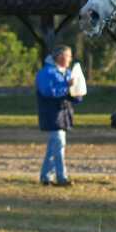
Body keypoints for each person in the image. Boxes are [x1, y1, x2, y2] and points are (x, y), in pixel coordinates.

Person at [36, 45, 81, 187]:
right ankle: (62, 178)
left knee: (54, 147)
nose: (70, 59)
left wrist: (77, 93)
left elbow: (72, 94)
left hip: (63, 114)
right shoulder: (46, 73)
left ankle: (45, 177)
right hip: (51, 114)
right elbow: (47, 92)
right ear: (60, 56)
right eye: (68, 56)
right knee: (59, 144)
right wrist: (66, 86)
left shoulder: (67, 72)